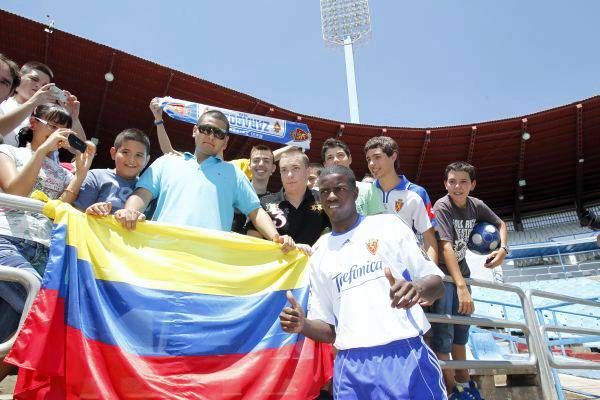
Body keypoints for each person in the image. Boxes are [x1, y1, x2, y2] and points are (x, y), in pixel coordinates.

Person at [279, 165, 446, 399]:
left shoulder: (389, 226)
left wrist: (417, 288)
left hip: (404, 354)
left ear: (355, 192)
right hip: (351, 366)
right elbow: (329, 331)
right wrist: (302, 325)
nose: (332, 196)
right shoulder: (319, 252)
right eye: (325, 191)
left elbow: (437, 283)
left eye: (340, 189)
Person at [0, 103, 95, 381]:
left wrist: (80, 174)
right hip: (8, 238)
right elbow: (15, 190)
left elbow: (59, 208)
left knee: (12, 326)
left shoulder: (63, 171)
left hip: (44, 249)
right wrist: (41, 152)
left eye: (62, 129)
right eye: (51, 125)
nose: (57, 134)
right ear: (33, 124)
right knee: (41, 303)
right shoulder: (10, 152)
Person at [115, 109, 294, 250]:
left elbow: (255, 212)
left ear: (225, 142)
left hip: (210, 266)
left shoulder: (234, 174)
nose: (210, 136)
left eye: (218, 133)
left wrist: (275, 238)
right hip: (161, 255)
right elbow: (142, 193)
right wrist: (130, 211)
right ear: (195, 131)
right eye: (206, 129)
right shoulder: (166, 162)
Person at [430, 161, 508, 399]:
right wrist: (461, 286)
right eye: (452, 181)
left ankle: (465, 384)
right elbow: (446, 248)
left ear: (473, 184)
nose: (457, 186)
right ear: (445, 184)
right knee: (444, 333)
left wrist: (503, 249)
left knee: (461, 332)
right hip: (443, 274)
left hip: (462, 272)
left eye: (463, 181)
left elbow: (501, 224)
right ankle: (451, 390)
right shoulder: (442, 206)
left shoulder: (476, 205)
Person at [359, 136, 439, 264]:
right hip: (372, 268)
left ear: (393, 156)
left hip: (407, 267)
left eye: (377, 157)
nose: (371, 164)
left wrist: (432, 274)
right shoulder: (365, 192)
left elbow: (429, 239)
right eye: (368, 159)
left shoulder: (417, 193)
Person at [246, 149, 329, 246]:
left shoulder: (323, 199)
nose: (289, 175)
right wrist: (278, 242)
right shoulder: (264, 203)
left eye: (295, 168)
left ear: (307, 172)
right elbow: (252, 241)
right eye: (284, 170)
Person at [0, 61, 86, 149]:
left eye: (44, 85)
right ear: (19, 78)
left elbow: (80, 148)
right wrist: (32, 103)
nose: (38, 86)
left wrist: (74, 118)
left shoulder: (46, 114)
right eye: (34, 79)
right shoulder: (3, 103)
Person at [73, 129, 151, 216]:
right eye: (125, 152)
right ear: (113, 153)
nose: (131, 160)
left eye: (139, 155)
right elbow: (77, 213)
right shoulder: (96, 177)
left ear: (147, 160)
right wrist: (92, 211)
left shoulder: (148, 189)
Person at [320, 138, 372, 213]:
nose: (336, 160)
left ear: (350, 159)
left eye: (340, 155)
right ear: (325, 165)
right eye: (330, 157)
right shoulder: (318, 195)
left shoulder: (368, 190)